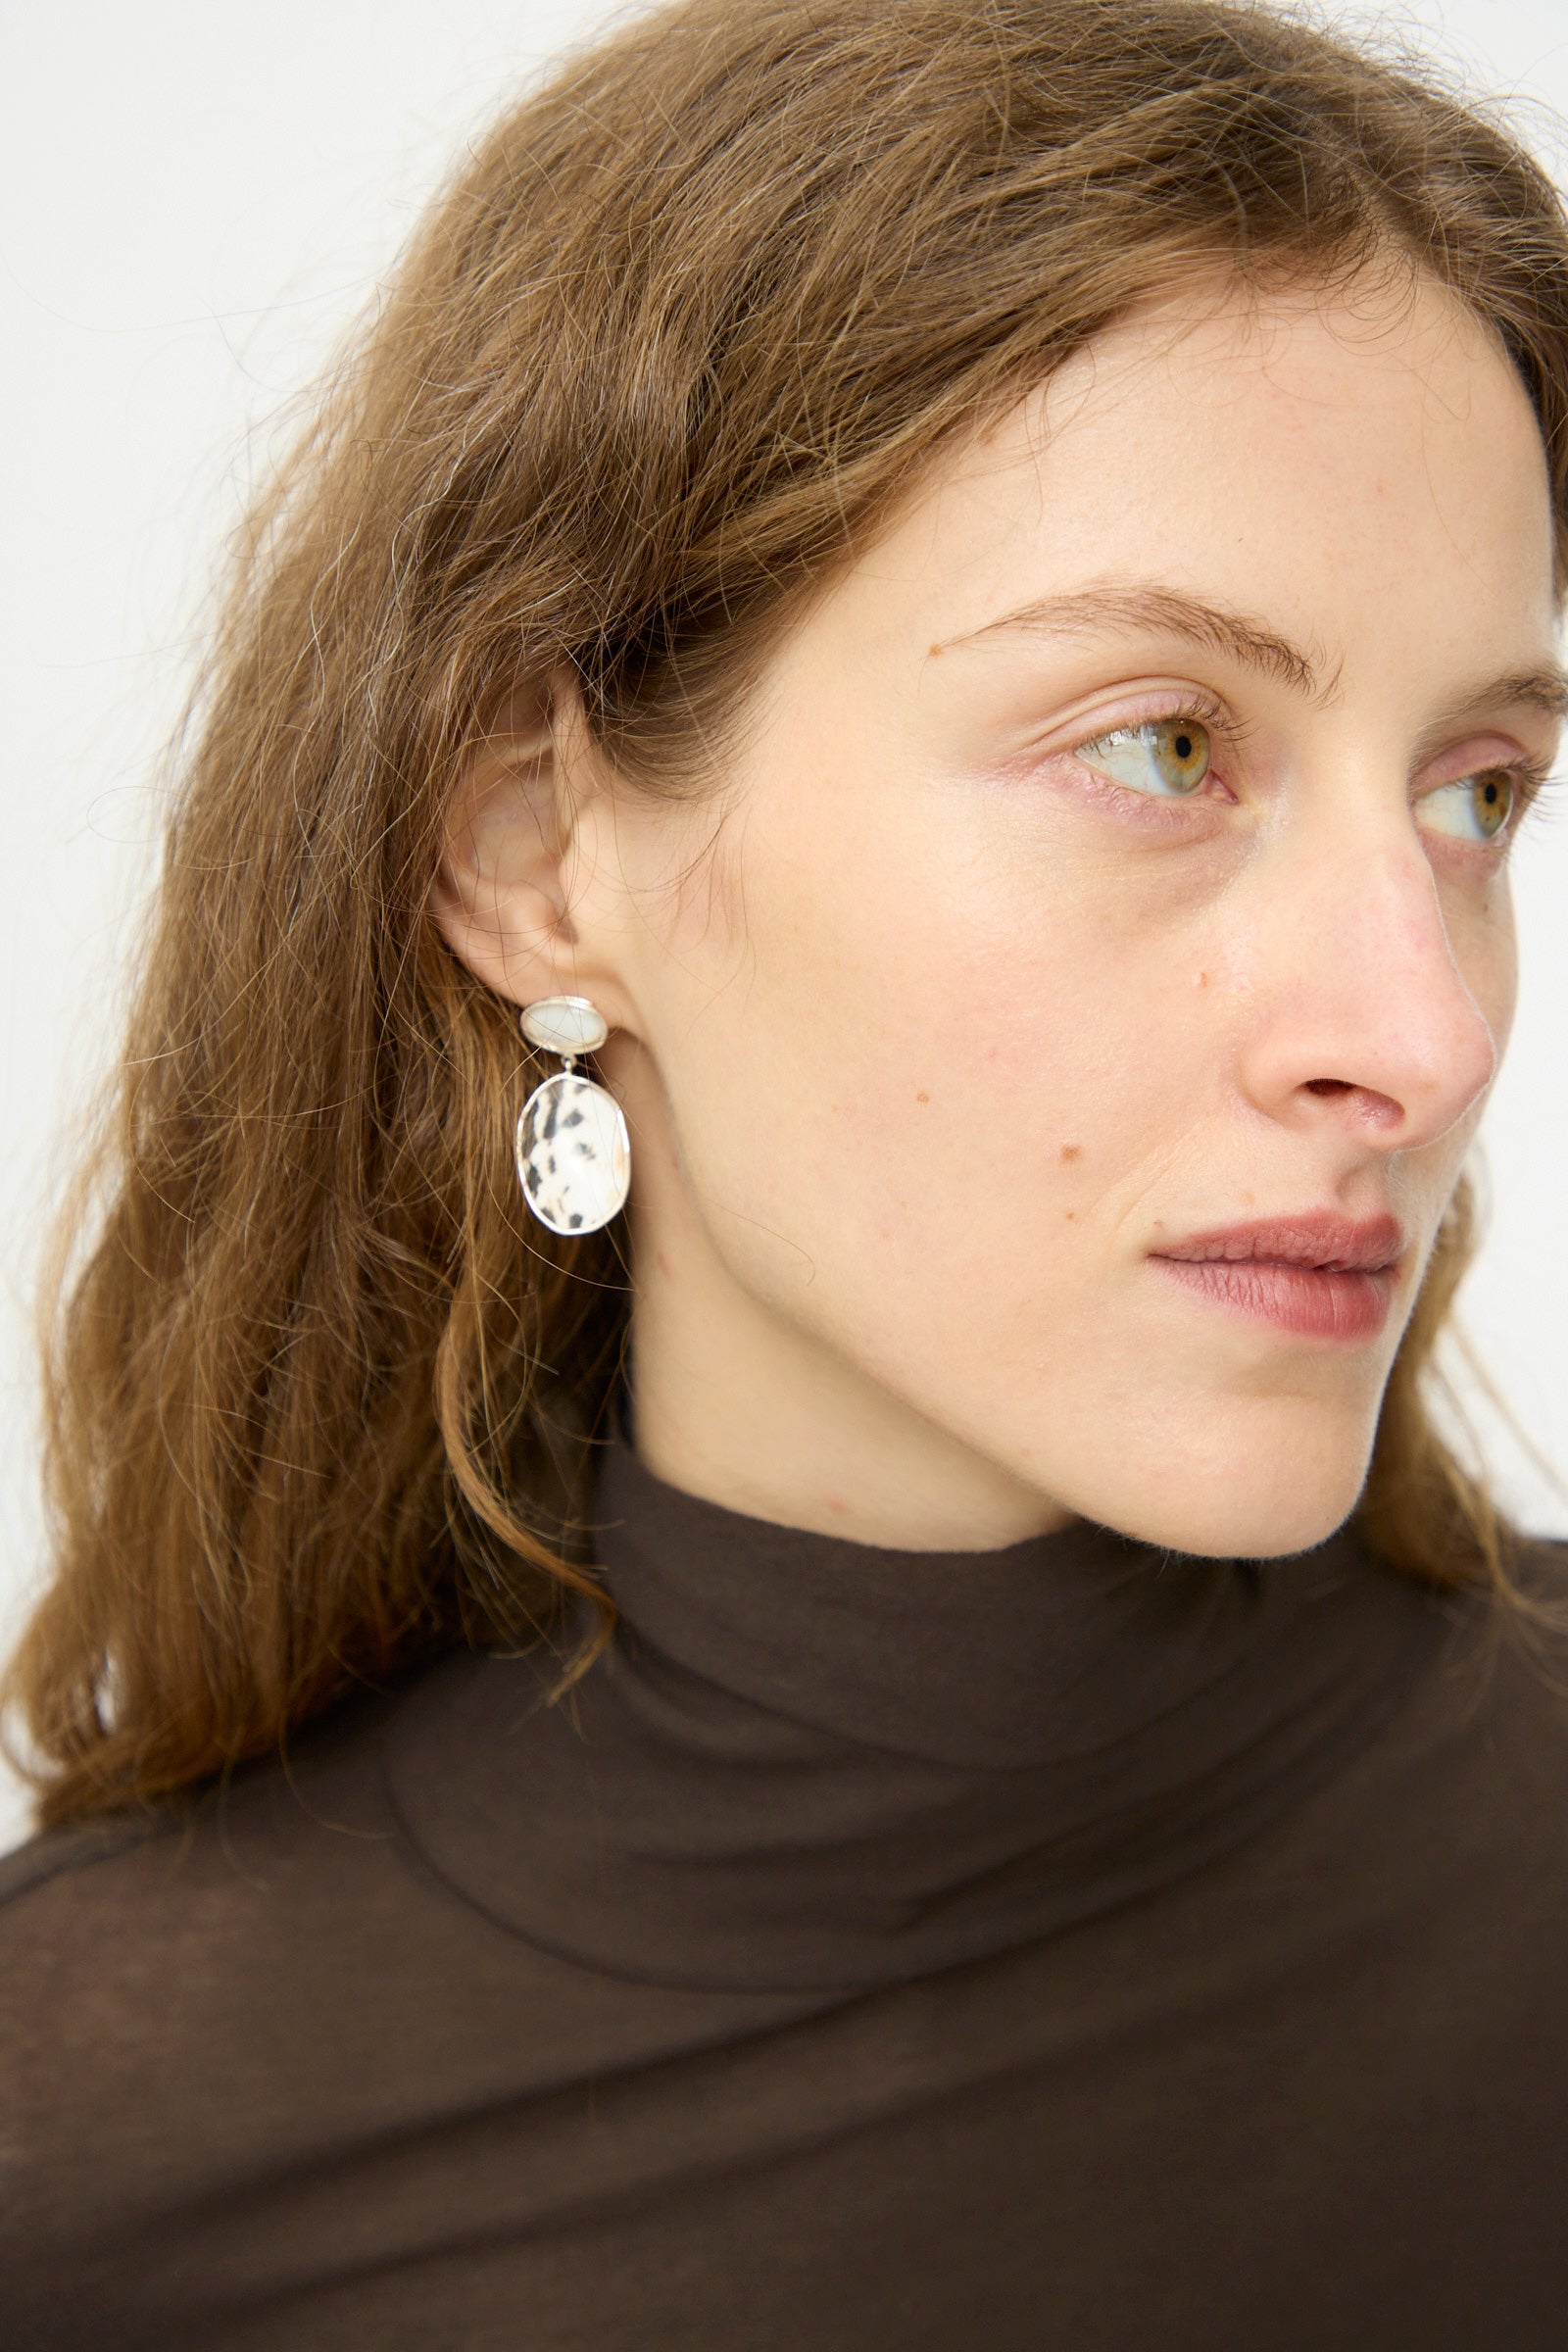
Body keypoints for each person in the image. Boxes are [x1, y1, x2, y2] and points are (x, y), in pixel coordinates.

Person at [6, 0, 1568, 2340]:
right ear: (541, 856)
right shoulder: (89, 2152)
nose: (1421, 1033)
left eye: (1472, 792)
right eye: (1158, 745)